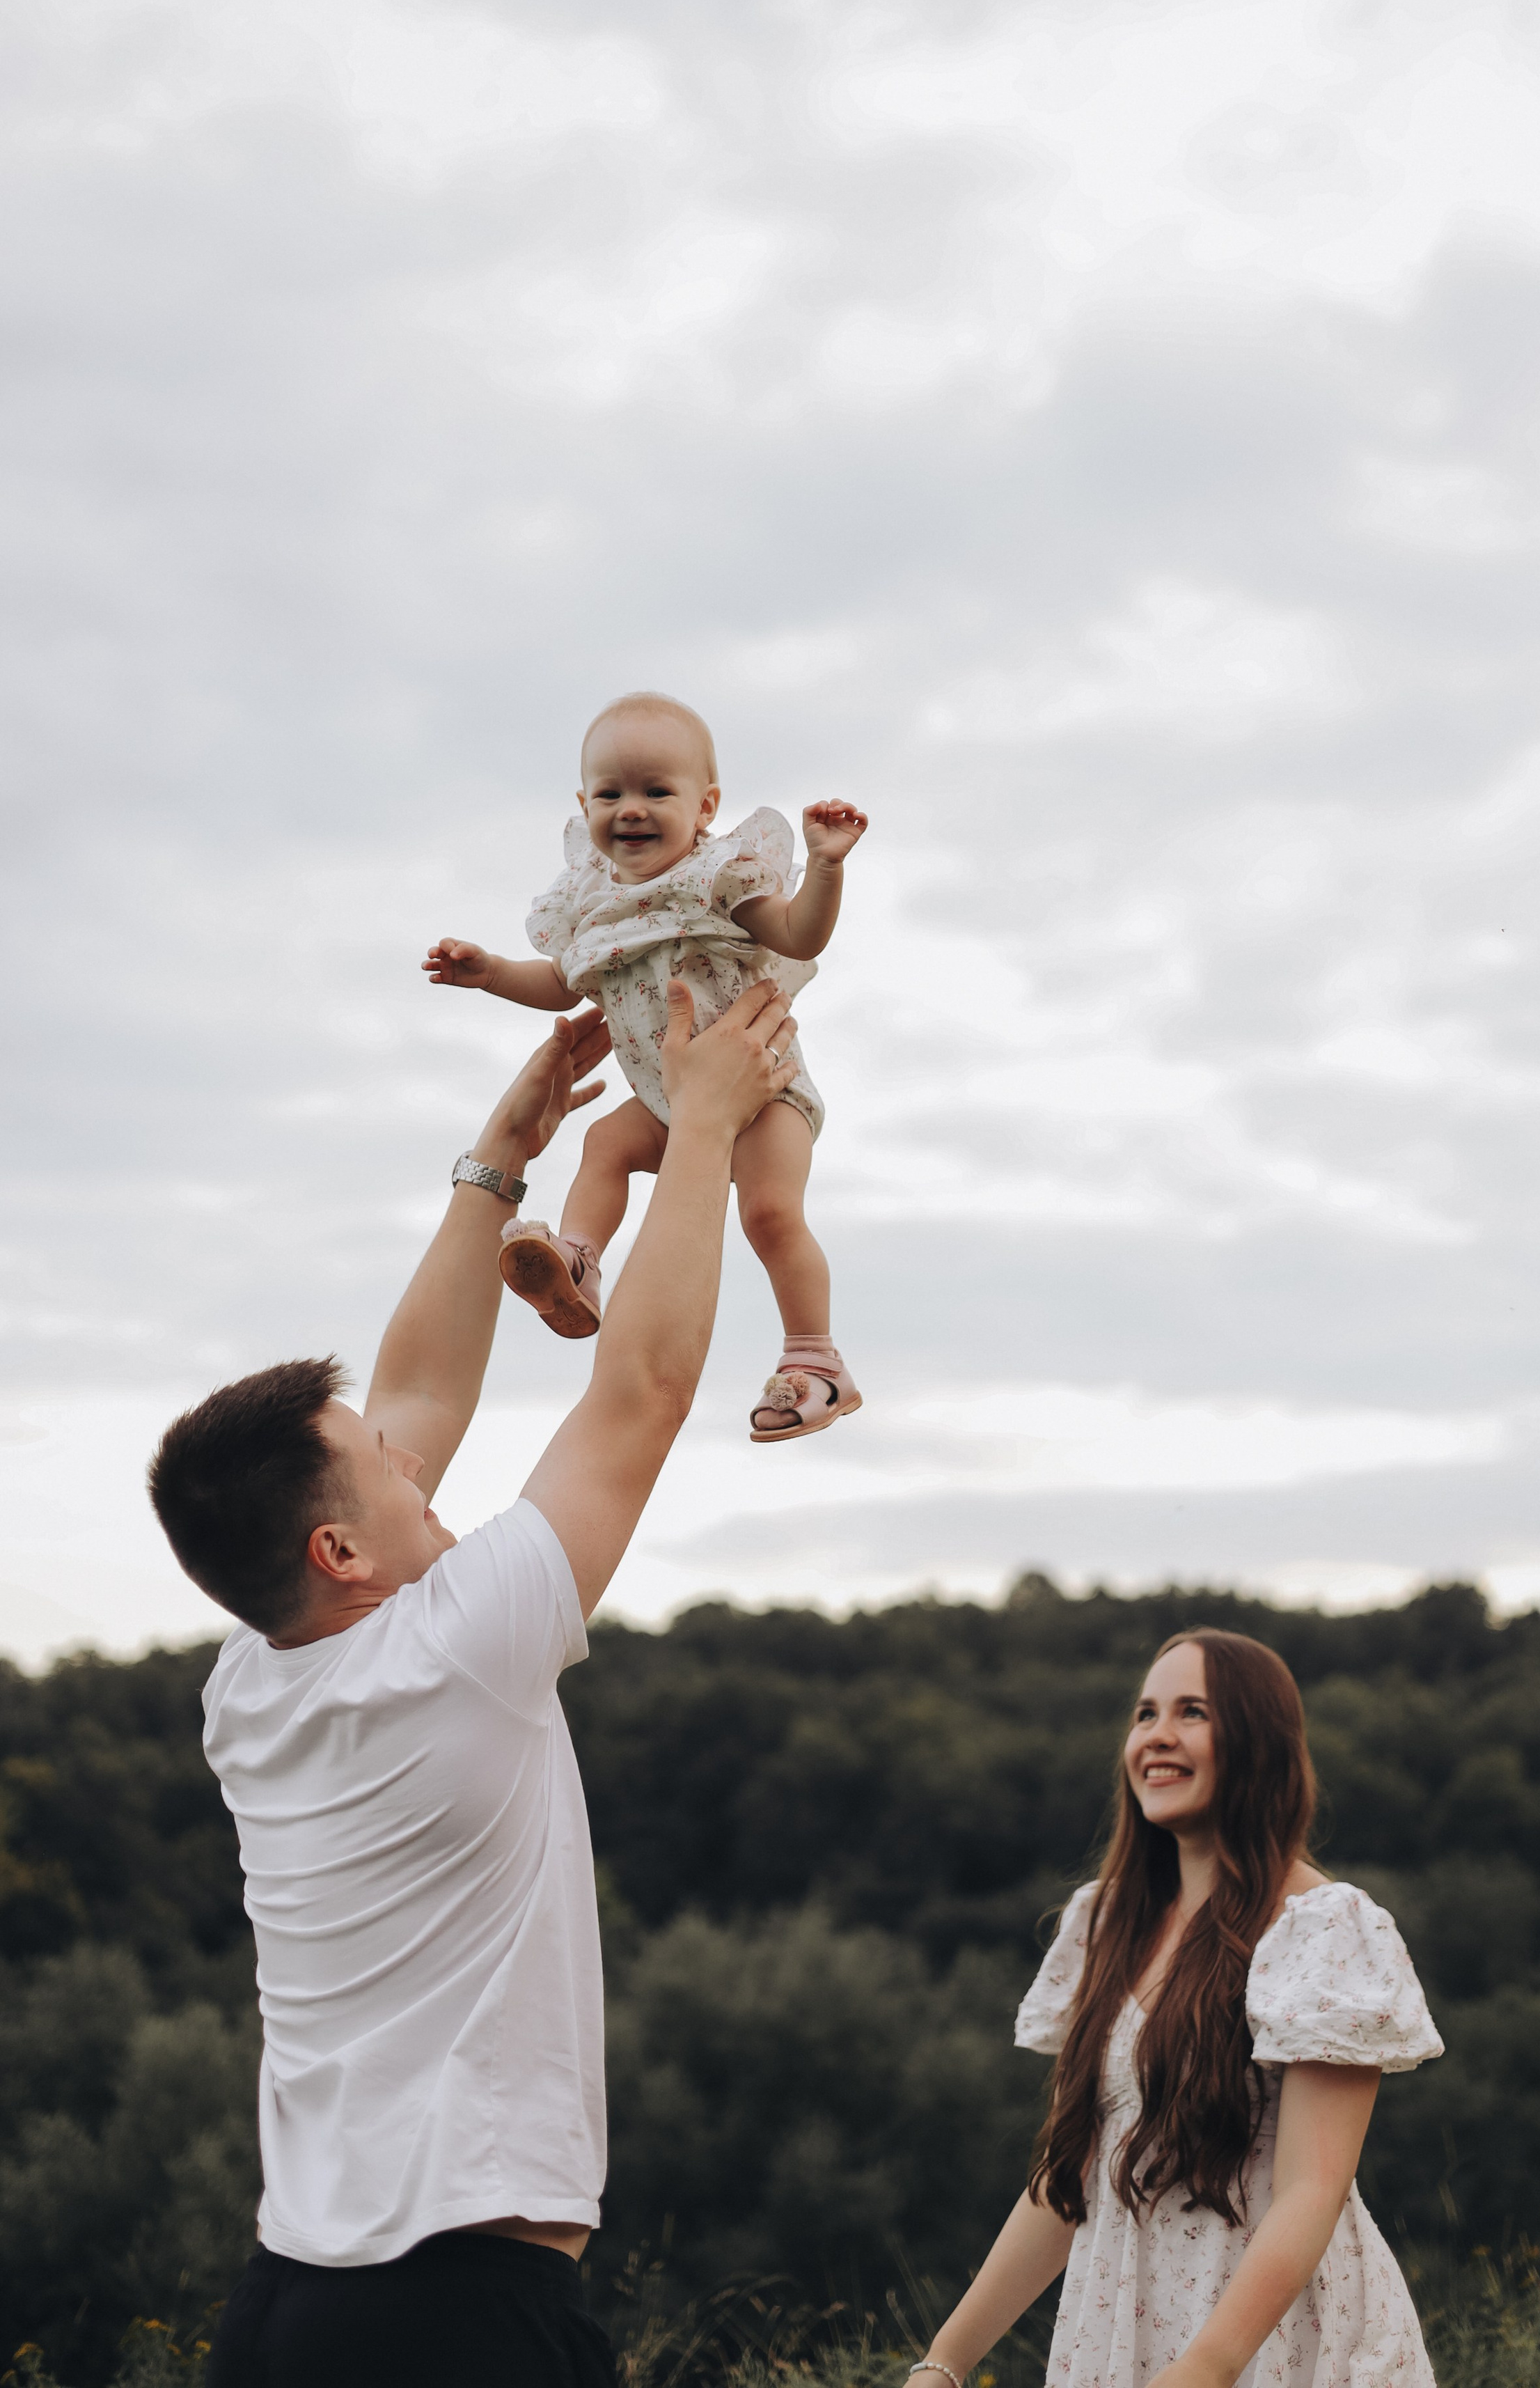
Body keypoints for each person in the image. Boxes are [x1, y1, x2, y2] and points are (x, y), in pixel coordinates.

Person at [146, 975, 797, 2388]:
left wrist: (493, 1166)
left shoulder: (253, 1682)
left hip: (288, 2313)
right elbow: (640, 1394)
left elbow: (420, 1398)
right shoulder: (456, 1649)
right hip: (447, 2322)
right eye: (380, 1469)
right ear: (338, 1550)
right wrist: (698, 1128)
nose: (409, 1456)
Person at [915, 1629, 1443, 2388]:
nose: (1157, 1737)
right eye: (1144, 1715)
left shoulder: (1322, 1927)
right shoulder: (1103, 1926)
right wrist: (945, 2361)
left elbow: (1310, 2189)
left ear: (1257, 1743)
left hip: (1270, 2341)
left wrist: (1206, 2367)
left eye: (1192, 1712)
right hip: (1119, 2322)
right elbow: (1071, 2179)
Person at [423, 689, 867, 1444]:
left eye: (657, 791)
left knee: (767, 1215)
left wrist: (824, 867)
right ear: (583, 805)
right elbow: (562, 983)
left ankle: (817, 1360)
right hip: (670, 1102)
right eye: (611, 792)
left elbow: (799, 936)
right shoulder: (592, 908)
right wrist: (492, 971)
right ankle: (579, 1265)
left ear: (705, 807)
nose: (631, 808)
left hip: (764, 1090)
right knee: (605, 1145)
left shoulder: (717, 879)